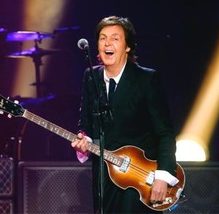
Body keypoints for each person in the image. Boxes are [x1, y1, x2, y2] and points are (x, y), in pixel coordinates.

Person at [72, 15, 179, 213]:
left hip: (139, 181)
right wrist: (84, 141)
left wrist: (163, 176)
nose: (107, 43)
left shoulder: (146, 79)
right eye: (103, 38)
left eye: (115, 38)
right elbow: (86, 124)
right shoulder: (90, 77)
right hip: (104, 179)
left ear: (127, 46)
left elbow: (164, 133)